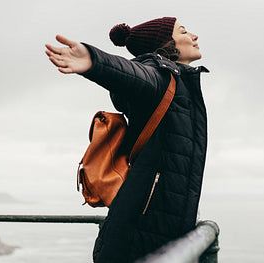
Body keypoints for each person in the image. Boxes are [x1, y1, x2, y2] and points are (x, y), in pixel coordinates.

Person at [45, 17, 209, 263]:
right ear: (164, 43)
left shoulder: (182, 83)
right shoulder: (159, 76)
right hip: (137, 237)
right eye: (184, 31)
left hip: (160, 234)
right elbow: (133, 73)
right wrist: (94, 61)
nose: (194, 36)